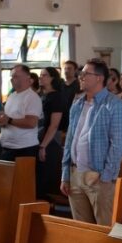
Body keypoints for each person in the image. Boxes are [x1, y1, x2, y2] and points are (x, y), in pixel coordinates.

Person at [61, 59, 122, 225]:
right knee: (83, 230)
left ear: (99, 78)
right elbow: (70, 140)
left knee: (104, 229)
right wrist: (65, 174)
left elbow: (118, 145)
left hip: (98, 176)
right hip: (75, 174)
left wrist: (106, 177)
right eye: (81, 74)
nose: (81, 77)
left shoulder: (114, 104)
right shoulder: (77, 104)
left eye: (85, 74)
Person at [0, 64, 43, 161]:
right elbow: (9, 118)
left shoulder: (32, 97)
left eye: (16, 76)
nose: (12, 79)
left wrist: (8, 120)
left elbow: (31, 122)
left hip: (24, 149)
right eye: (12, 76)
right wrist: (1, 120)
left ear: (27, 77)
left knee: (23, 176)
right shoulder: (12, 96)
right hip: (7, 147)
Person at [37, 66, 67, 201]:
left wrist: (43, 145)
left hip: (49, 138)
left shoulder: (56, 97)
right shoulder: (40, 95)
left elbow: (54, 124)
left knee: (48, 173)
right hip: (37, 135)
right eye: (40, 75)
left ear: (52, 78)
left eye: (44, 75)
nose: (41, 77)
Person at [60, 60, 81, 132]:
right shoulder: (60, 85)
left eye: (69, 68)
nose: (66, 71)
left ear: (75, 70)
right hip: (62, 118)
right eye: (65, 69)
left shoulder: (79, 85)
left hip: (74, 118)